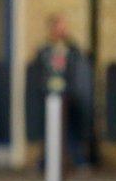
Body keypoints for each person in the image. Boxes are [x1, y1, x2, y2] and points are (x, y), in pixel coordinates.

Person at [27, 14, 94, 167]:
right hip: (48, 97)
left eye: (65, 27)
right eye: (60, 26)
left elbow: (79, 72)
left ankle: (76, 160)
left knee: (71, 131)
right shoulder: (44, 50)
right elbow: (39, 74)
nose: (63, 30)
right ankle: (46, 162)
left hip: (70, 98)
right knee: (49, 131)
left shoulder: (72, 49)